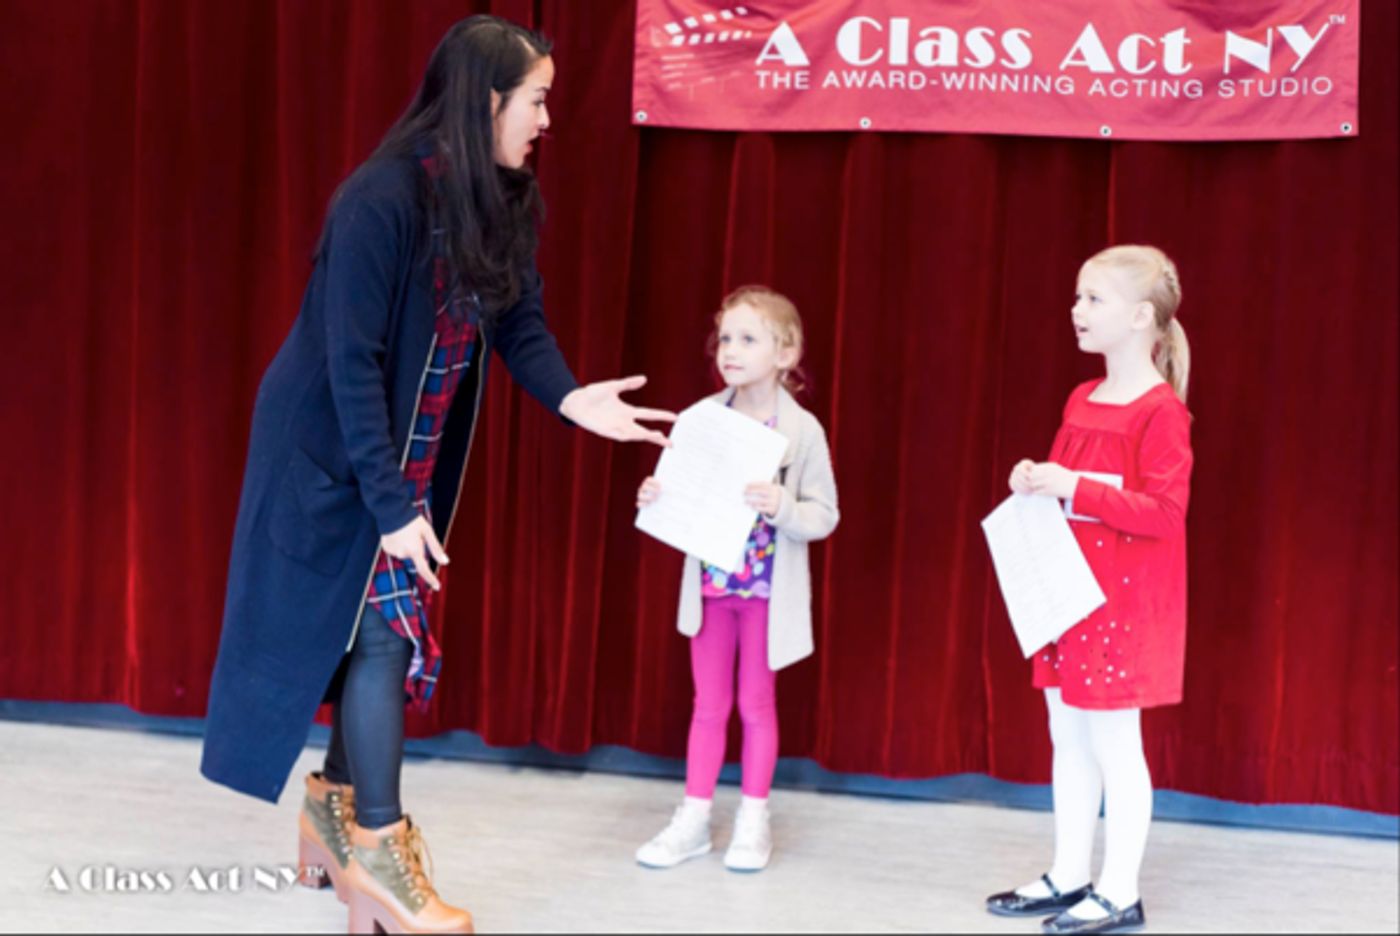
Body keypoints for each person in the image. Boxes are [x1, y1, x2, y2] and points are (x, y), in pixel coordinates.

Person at [199, 16, 674, 934]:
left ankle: (332, 813)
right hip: (333, 451)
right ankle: (378, 852)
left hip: (401, 453)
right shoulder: (378, 201)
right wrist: (386, 502)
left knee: (373, 630)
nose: (545, 118)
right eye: (535, 99)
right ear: (488, 99)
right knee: (382, 638)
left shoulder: (504, 196)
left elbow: (517, 326)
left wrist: (575, 401)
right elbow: (350, 362)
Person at [985, 245, 1193, 935]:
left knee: (1114, 742)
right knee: (1065, 735)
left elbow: (1164, 512)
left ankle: (1120, 889)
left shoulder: (1161, 412)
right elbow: (1070, 491)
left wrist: (1074, 485)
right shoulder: (1082, 397)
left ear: (1140, 317)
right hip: (1069, 596)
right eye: (1078, 297)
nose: (1077, 310)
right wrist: (1038, 479)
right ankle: (1069, 872)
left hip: (1124, 607)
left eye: (1092, 299)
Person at [633, 286, 839, 873]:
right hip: (713, 591)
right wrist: (655, 495)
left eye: (748, 339)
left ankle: (753, 818)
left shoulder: (802, 433)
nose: (731, 349)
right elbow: (676, 491)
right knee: (708, 705)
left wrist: (781, 505)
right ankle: (694, 818)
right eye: (725, 337)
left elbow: (824, 513)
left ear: (786, 352)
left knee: (756, 704)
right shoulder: (702, 419)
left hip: (767, 595)